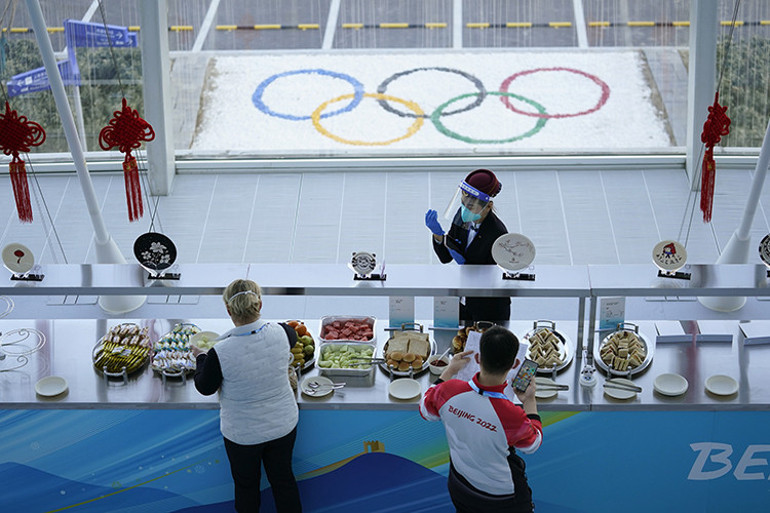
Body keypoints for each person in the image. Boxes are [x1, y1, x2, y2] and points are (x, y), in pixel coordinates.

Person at [192, 279, 302, 513]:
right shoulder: (284, 332)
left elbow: (205, 386)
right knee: (284, 482)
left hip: (243, 436)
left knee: (246, 487)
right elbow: (288, 335)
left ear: (229, 310)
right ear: (259, 304)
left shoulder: (219, 352)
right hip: (283, 426)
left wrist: (200, 358)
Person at [419, 326, 542, 513]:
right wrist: (530, 401)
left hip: (461, 486)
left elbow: (425, 410)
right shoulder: (511, 414)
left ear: (478, 358)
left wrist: (449, 371)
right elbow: (532, 444)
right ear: (515, 364)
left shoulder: (447, 391)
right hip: (502, 499)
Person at [425, 168, 511, 323]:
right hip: (462, 301)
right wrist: (438, 235)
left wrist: (467, 265)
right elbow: (445, 257)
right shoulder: (462, 216)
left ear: (488, 206)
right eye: (463, 203)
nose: (465, 209)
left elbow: (494, 278)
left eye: (471, 206)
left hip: (488, 307)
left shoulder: (498, 234)